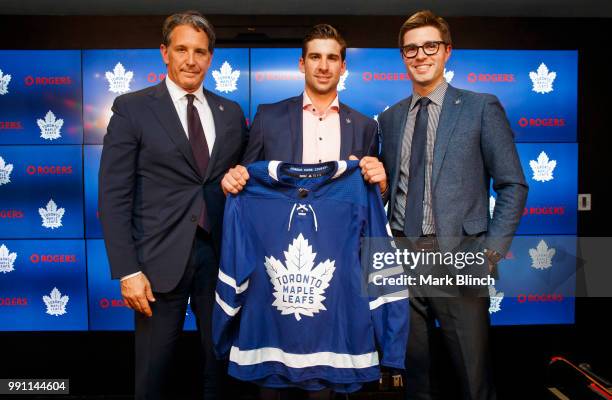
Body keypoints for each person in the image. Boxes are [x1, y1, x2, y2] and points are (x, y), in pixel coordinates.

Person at [378, 10, 528, 400]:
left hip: (461, 258)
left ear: (447, 51)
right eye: (410, 49)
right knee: (414, 378)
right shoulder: (391, 119)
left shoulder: (480, 107)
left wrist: (490, 253)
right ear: (402, 56)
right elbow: (393, 188)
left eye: (430, 46)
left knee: (472, 380)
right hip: (401, 259)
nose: (420, 55)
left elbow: (513, 184)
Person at [98, 11, 248, 400]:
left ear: (210, 58)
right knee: (153, 373)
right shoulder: (133, 107)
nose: (190, 59)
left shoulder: (229, 113)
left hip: (219, 259)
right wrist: (127, 270)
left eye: (200, 51)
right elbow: (114, 195)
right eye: (181, 49)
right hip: (156, 263)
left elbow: (244, 177)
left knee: (222, 366)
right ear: (164, 52)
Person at [221, 23, 387, 196]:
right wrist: (233, 183)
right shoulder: (267, 118)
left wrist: (381, 188)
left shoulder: (366, 127)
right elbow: (246, 182)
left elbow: (370, 200)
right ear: (302, 64)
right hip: (280, 222)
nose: (323, 67)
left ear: (343, 67)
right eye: (315, 57)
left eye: (332, 58)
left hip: (342, 223)